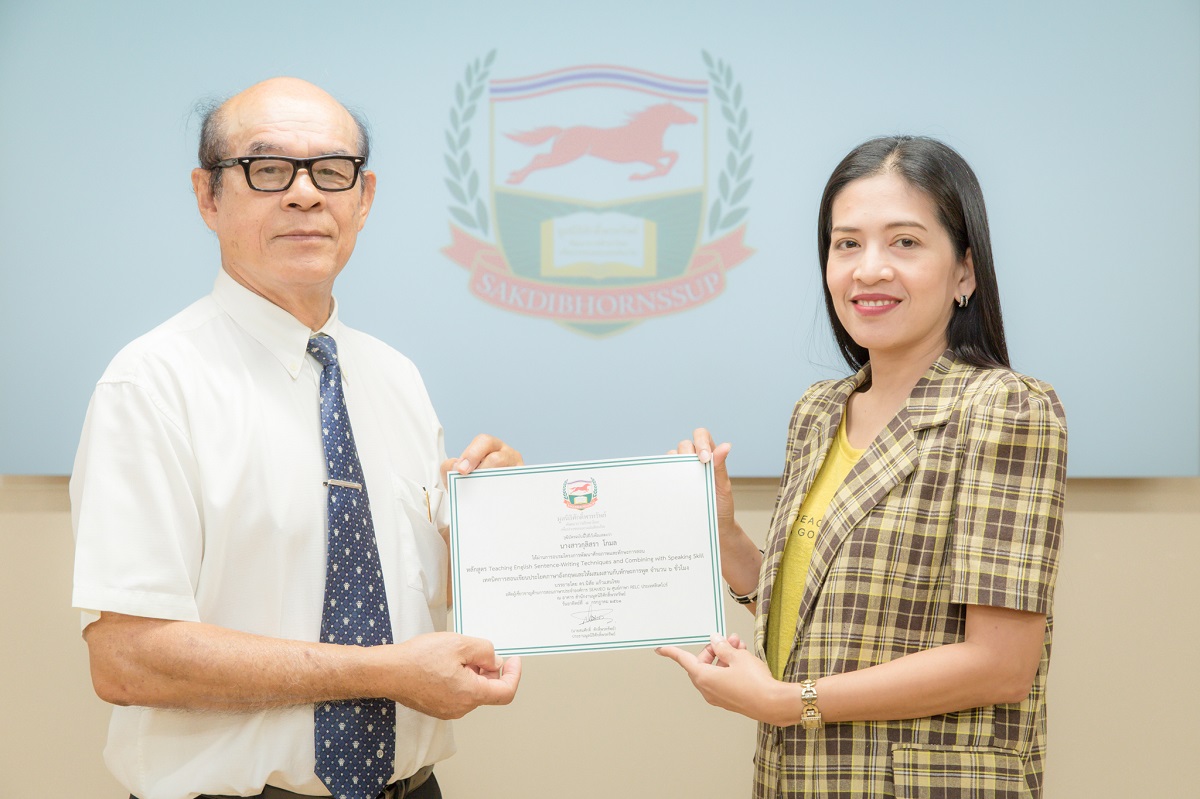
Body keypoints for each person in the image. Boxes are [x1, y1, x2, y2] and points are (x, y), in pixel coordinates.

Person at [71, 77, 522, 799]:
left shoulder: (395, 378)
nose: (305, 194)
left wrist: (499, 522)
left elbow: (423, 599)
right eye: (269, 169)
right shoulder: (152, 382)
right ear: (208, 196)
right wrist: (382, 673)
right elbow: (128, 659)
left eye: (331, 171)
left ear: (363, 198)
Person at [657, 136, 1067, 798]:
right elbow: (820, 611)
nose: (869, 269)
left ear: (965, 271)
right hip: (798, 777)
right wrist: (723, 533)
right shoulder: (818, 411)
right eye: (847, 244)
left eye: (904, 242)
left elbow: (1000, 664)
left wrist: (789, 702)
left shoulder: (1006, 407)